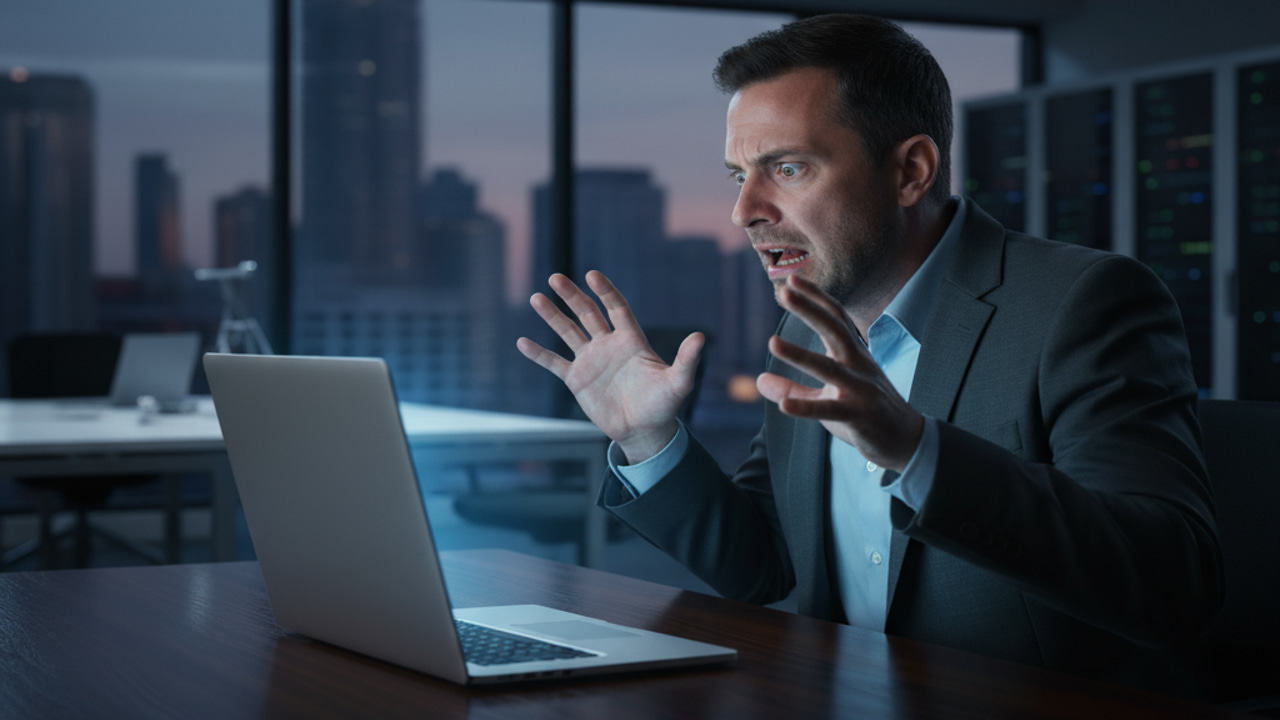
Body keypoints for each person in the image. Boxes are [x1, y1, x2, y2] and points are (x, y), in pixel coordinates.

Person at [517, 14, 1221, 697]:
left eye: (787, 167)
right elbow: (760, 565)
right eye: (738, 176)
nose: (745, 210)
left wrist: (918, 452)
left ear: (911, 171)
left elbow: (1173, 584)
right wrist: (650, 439)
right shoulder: (806, 332)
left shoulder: (1082, 303)